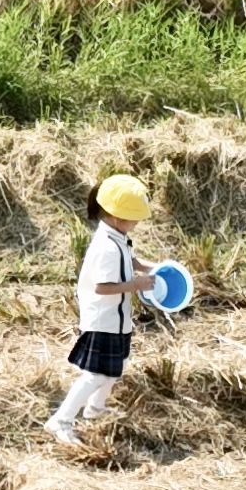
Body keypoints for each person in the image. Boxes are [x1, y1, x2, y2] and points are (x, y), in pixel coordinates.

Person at [45, 174, 155, 446]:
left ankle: (95, 408)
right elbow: (102, 287)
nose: (138, 223)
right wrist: (137, 284)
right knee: (95, 373)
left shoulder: (118, 236)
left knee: (117, 366)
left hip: (118, 319)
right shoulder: (106, 246)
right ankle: (61, 421)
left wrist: (155, 269)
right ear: (117, 216)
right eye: (135, 217)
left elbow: (133, 260)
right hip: (102, 320)